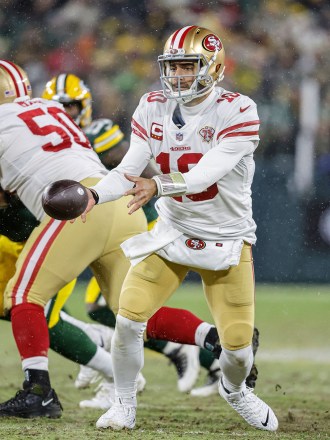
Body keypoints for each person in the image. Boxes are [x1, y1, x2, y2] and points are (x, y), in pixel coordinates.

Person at [0, 60, 247, 419]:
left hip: (78, 204)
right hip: (115, 202)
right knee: (131, 311)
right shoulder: (49, 109)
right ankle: (216, 339)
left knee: (23, 296)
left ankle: (38, 390)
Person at [77, 26, 278, 432]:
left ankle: (235, 391)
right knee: (128, 320)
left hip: (226, 239)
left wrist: (157, 185)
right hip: (173, 231)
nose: (179, 75)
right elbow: (125, 173)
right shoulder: (151, 106)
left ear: (213, 67)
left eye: (188, 65)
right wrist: (92, 197)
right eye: (173, 66)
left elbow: (205, 175)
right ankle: (124, 404)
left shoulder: (239, 110)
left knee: (237, 352)